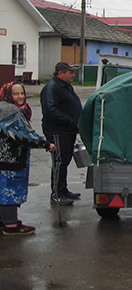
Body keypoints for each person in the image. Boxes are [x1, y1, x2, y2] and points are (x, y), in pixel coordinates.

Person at [1, 82, 56, 235]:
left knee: (3, 191)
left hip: (6, 159)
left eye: (22, 93)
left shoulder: (8, 108)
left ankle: (5, 220)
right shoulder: (9, 112)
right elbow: (23, 135)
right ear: (8, 96)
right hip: (8, 160)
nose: (20, 97)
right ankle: (11, 226)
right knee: (9, 192)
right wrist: (45, 144)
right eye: (16, 94)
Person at [41, 62, 83, 206]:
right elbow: (50, 110)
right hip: (57, 131)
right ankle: (57, 194)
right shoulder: (52, 88)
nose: (73, 75)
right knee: (59, 161)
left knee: (64, 160)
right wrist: (69, 120)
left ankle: (63, 190)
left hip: (68, 130)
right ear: (61, 73)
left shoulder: (65, 86)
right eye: (70, 72)